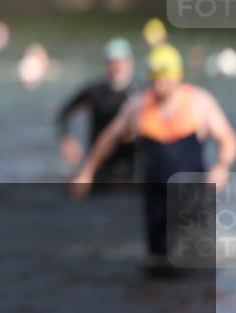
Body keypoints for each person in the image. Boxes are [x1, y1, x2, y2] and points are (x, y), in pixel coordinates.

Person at [70, 43, 236, 264]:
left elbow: (227, 138)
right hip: (154, 195)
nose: (160, 86)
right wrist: (87, 171)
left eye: (165, 79)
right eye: (156, 80)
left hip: (191, 194)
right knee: (158, 260)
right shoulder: (138, 106)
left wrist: (221, 166)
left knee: (192, 258)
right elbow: (109, 138)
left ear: (177, 76)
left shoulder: (199, 102)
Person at [56, 37, 138, 186]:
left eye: (120, 62)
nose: (117, 67)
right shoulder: (95, 92)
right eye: (112, 62)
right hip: (97, 165)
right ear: (107, 64)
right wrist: (66, 139)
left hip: (129, 168)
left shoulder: (139, 94)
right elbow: (64, 112)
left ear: (130, 62)